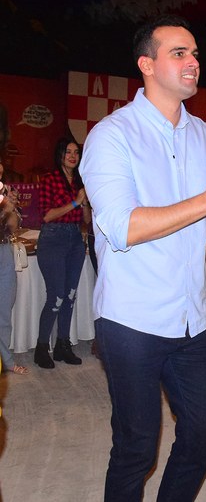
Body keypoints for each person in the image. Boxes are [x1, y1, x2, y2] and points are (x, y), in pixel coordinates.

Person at [80, 15, 206, 501]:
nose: (194, 63)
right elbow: (123, 227)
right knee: (136, 448)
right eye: (179, 53)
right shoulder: (111, 136)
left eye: (195, 54)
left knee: (203, 437)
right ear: (146, 64)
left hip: (194, 318)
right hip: (132, 319)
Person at [33, 138, 89, 368]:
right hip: (53, 239)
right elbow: (46, 216)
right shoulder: (50, 179)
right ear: (60, 154)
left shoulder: (79, 181)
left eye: (76, 152)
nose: (73, 156)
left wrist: (85, 205)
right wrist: (76, 202)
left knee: (70, 295)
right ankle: (41, 347)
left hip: (75, 239)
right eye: (68, 152)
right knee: (56, 296)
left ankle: (62, 345)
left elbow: (85, 220)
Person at [0, 179, 28, 374]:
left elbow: (13, 227)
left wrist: (9, 207)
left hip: (4, 249)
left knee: (4, 310)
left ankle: (6, 360)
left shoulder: (4, 192)